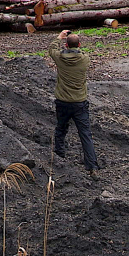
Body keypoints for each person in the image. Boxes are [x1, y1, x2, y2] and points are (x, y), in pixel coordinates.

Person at [48, 30, 100, 173]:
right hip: (79, 103)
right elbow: (80, 52)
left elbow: (51, 49)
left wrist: (59, 36)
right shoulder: (85, 59)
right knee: (85, 134)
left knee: (60, 130)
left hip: (62, 102)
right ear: (79, 44)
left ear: (65, 45)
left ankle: (59, 158)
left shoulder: (59, 57)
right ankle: (92, 166)